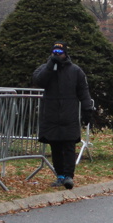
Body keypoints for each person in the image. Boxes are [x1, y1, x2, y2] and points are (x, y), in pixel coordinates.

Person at [32, 42, 94, 189]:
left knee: (69, 146)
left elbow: (83, 91)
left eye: (60, 52)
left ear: (65, 53)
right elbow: (39, 81)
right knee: (56, 147)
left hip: (69, 114)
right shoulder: (45, 68)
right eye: (55, 52)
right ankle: (59, 175)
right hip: (51, 114)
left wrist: (88, 109)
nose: (57, 55)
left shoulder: (75, 71)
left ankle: (68, 176)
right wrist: (50, 66)